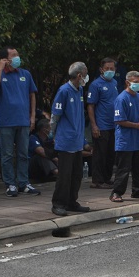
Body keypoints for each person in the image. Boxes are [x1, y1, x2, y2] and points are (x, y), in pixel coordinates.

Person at [0, 47, 40, 197]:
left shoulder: (25, 74)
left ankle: (24, 183)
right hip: (5, 121)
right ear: (5, 59)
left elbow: (32, 95)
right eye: (14, 55)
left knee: (23, 153)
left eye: (17, 54)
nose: (17, 57)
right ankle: (10, 184)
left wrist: (32, 117)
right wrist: (0, 68)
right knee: (7, 155)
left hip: (23, 120)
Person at [50, 62, 91, 216]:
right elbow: (56, 115)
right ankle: (58, 203)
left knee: (76, 174)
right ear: (79, 75)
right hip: (66, 139)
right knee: (64, 175)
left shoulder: (79, 90)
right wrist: (54, 134)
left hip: (77, 140)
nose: (86, 78)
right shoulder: (64, 91)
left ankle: (71, 201)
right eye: (85, 74)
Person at [110, 71, 139, 203]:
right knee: (123, 168)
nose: (138, 84)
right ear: (128, 82)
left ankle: (138, 190)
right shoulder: (121, 98)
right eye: (135, 82)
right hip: (126, 140)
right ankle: (117, 192)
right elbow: (119, 120)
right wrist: (136, 125)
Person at [86, 57, 119, 189]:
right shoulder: (95, 85)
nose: (110, 71)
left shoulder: (115, 83)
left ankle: (107, 178)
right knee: (100, 154)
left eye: (112, 68)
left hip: (113, 124)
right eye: (107, 69)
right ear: (101, 69)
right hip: (101, 125)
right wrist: (94, 125)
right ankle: (97, 180)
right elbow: (90, 106)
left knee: (111, 154)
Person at [28, 118, 58, 183]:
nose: (51, 129)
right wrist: (55, 158)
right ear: (44, 130)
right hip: (33, 169)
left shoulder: (50, 140)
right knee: (41, 156)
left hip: (45, 171)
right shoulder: (32, 138)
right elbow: (41, 151)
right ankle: (58, 173)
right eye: (50, 127)